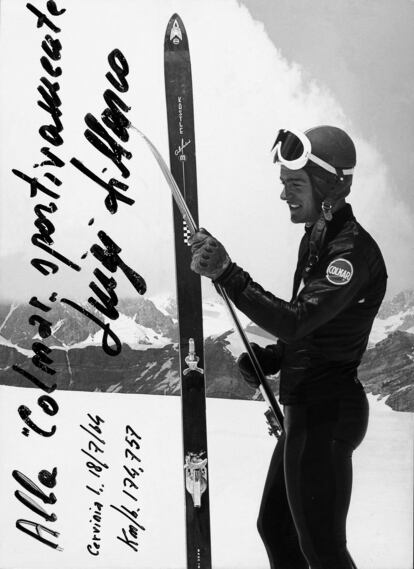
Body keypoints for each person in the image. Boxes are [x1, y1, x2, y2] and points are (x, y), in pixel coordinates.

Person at [189, 125, 387, 569]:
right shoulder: (316, 239)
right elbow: (314, 330)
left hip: (327, 413)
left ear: (327, 187)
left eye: (293, 184)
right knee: (276, 529)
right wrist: (274, 358)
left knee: (323, 550)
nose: (284, 196)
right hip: (306, 409)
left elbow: (297, 322)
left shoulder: (350, 253)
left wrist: (227, 272)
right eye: (283, 184)